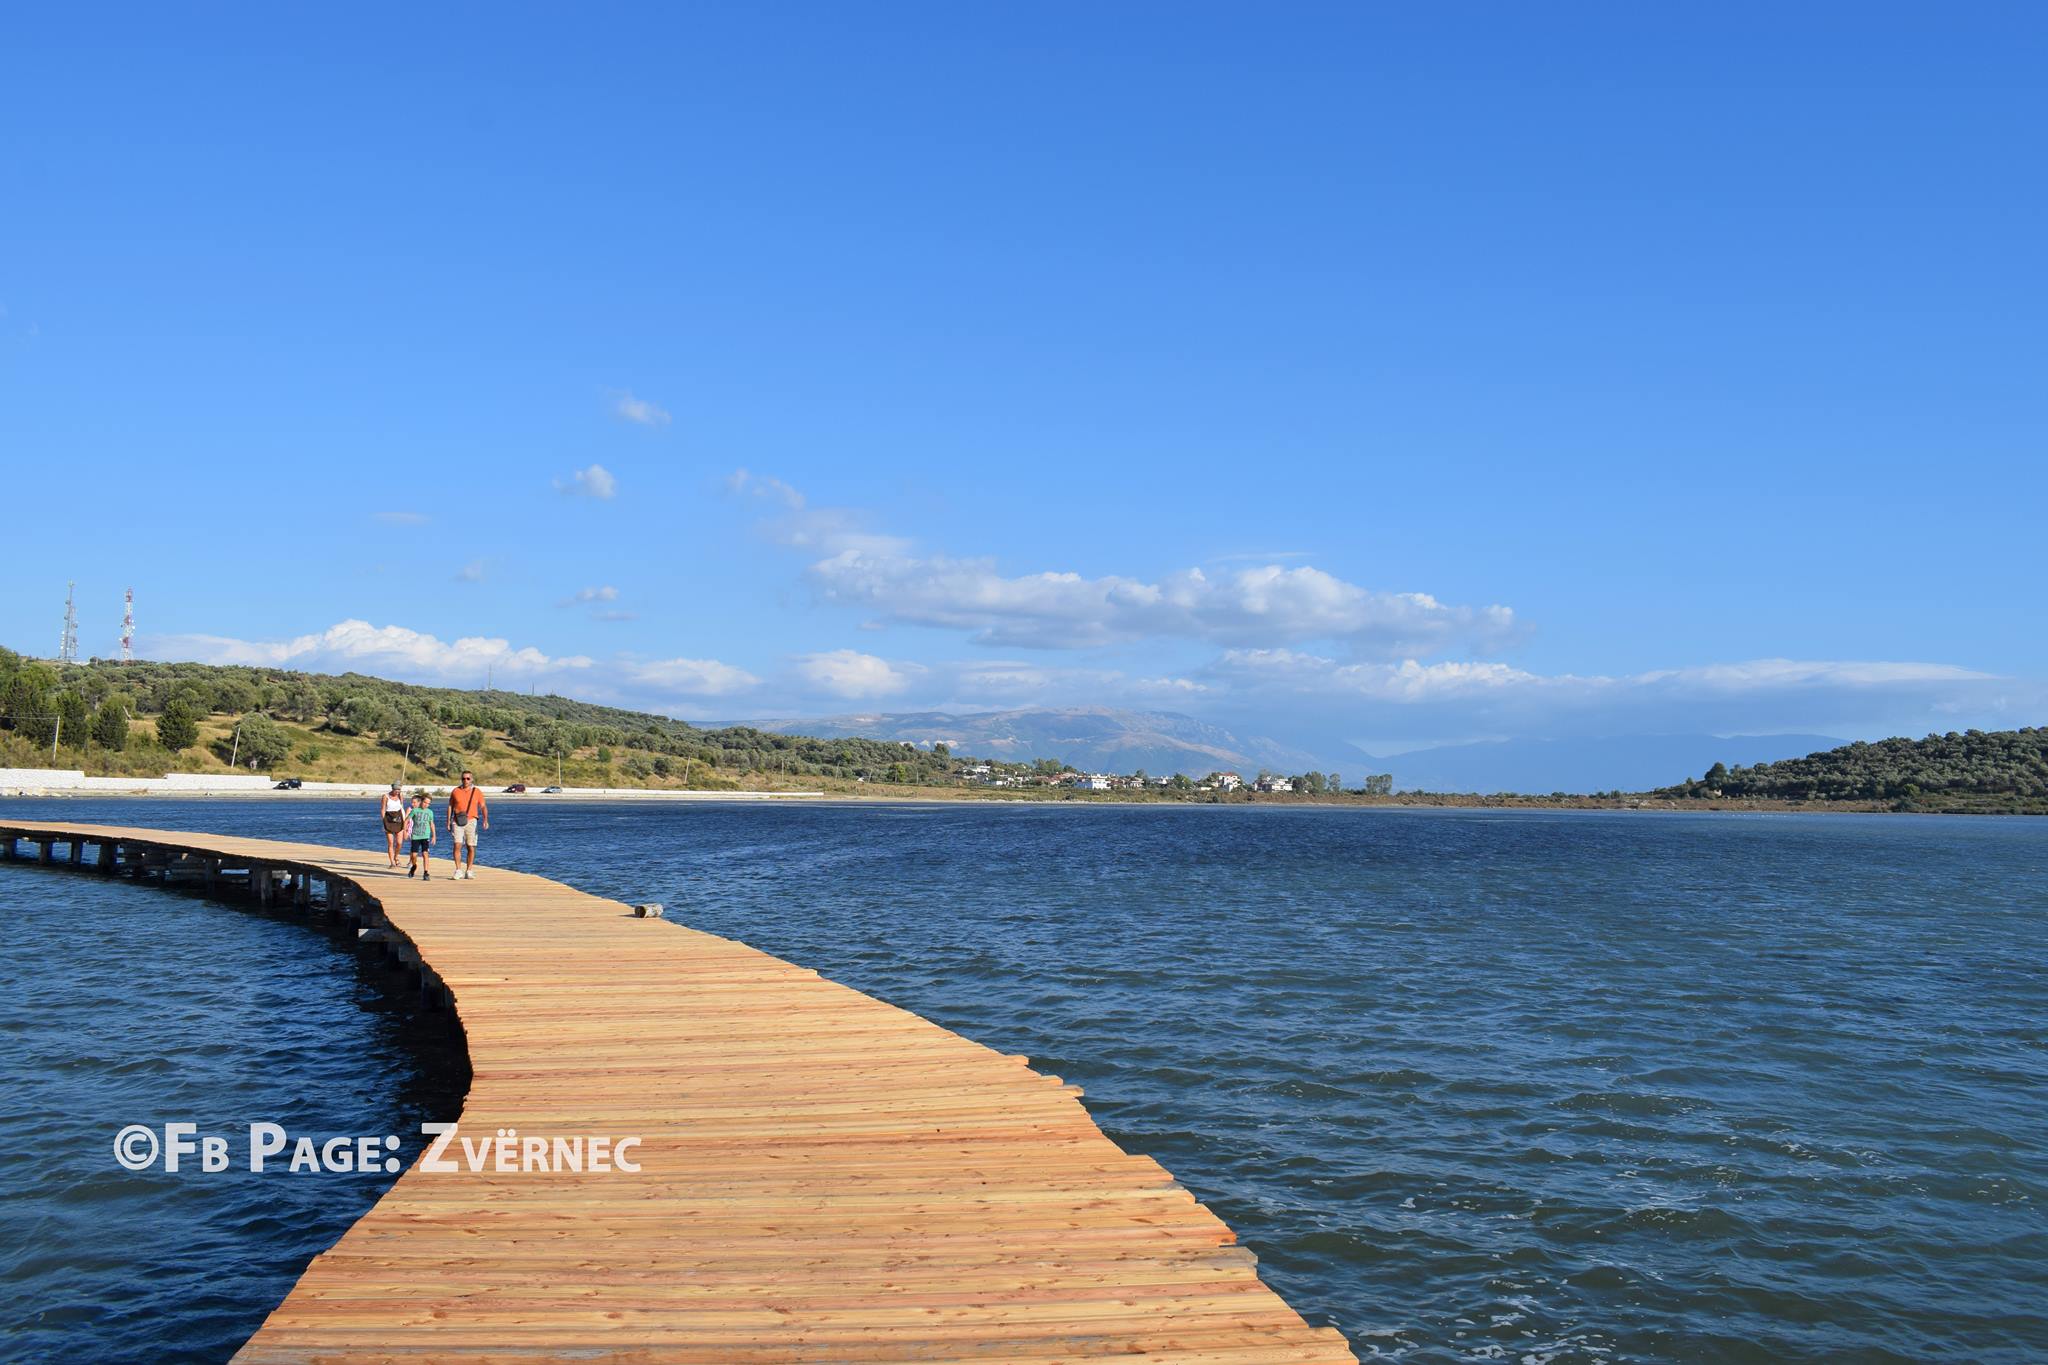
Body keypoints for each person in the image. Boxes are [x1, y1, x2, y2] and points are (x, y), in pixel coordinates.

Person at [446, 769, 489, 880]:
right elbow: (450, 806)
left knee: (471, 846)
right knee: (457, 845)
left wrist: (485, 820)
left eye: (468, 778)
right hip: (457, 820)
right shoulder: (455, 791)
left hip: (472, 821)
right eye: (463, 778)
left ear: (472, 779)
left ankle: (469, 870)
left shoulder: (477, 791)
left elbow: (483, 806)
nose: (465, 780)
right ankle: (458, 870)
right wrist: (448, 822)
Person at [405, 792, 436, 880]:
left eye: (428, 803)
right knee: (414, 855)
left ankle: (426, 872)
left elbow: (431, 824)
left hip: (425, 836)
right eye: (425, 802)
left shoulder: (430, 812)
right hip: (415, 836)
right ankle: (414, 866)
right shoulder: (415, 810)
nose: (426, 805)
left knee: (425, 853)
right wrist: (405, 832)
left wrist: (434, 836)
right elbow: (407, 820)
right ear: (421, 801)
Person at [378, 782, 408, 868]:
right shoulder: (385, 796)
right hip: (388, 819)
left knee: (399, 842)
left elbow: (402, 807)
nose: (398, 791)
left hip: (399, 819)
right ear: (393, 789)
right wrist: (384, 821)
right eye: (397, 790)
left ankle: (396, 857)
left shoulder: (400, 795)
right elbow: (383, 809)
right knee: (391, 843)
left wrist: (405, 819)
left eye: (399, 790)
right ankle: (392, 863)